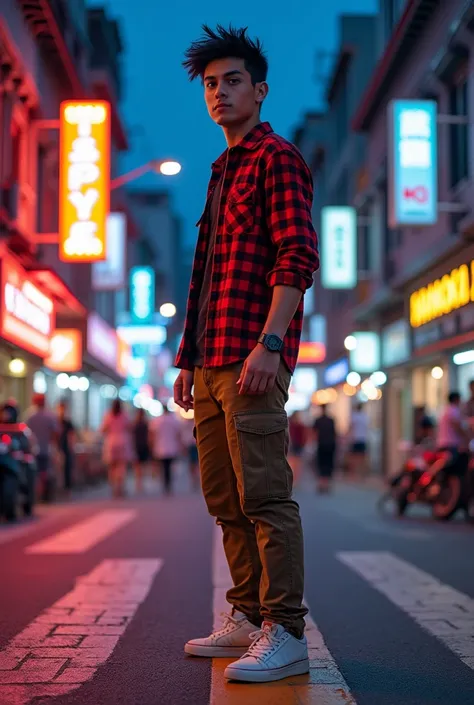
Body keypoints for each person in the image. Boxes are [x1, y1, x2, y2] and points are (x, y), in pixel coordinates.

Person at [173, 26, 319, 683]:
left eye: (233, 80)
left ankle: (285, 630)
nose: (220, 92)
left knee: (264, 494)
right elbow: (203, 274)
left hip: (251, 354)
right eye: (211, 83)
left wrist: (272, 339)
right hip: (209, 361)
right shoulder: (219, 170)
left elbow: (296, 255)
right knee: (224, 497)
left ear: (259, 90)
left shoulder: (276, 158)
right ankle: (247, 613)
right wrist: (185, 359)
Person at [25, 394, 59, 502]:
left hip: (33, 450)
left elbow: (26, 433)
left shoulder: (29, 415)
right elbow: (55, 433)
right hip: (46, 449)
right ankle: (44, 495)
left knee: (34, 472)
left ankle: (35, 494)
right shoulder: (50, 416)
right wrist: (54, 447)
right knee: (45, 472)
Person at [101, 399, 134, 498]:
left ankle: (113, 488)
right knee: (121, 467)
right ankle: (120, 487)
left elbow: (103, 429)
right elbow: (129, 428)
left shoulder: (108, 415)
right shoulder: (125, 415)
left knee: (112, 467)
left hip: (111, 442)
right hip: (123, 441)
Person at [150, 407, 183, 494]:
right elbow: (178, 434)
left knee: (164, 467)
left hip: (160, 447)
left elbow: (152, 434)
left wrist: (152, 445)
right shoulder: (173, 420)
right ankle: (168, 484)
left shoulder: (157, 420)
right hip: (171, 446)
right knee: (169, 467)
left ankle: (165, 484)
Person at [313, 405, 337, 493]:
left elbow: (314, 433)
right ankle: (326, 484)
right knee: (329, 464)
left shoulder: (318, 420)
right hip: (330, 444)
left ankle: (322, 483)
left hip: (321, 444)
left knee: (321, 464)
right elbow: (335, 433)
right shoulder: (331, 420)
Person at [57, 400, 76, 497]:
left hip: (66, 449)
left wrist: (71, 447)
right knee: (58, 471)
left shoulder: (68, 423)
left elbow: (71, 436)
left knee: (67, 470)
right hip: (57, 449)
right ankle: (58, 490)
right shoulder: (55, 421)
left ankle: (67, 490)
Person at [349, 403, 370, 478]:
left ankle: (353, 474)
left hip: (355, 439)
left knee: (353, 458)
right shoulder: (365, 417)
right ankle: (362, 474)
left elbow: (351, 427)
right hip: (363, 439)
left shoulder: (354, 416)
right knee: (362, 458)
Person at [133, 408, 150, 493]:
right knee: (143, 466)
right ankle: (141, 483)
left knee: (137, 466)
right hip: (143, 446)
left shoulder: (134, 424)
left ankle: (138, 483)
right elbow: (149, 436)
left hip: (136, 446)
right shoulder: (145, 424)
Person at [181, 415, 200, 489]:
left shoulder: (189, 424)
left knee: (194, 463)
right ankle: (195, 478)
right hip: (192, 445)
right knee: (193, 463)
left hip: (194, 445)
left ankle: (195, 478)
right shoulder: (188, 424)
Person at [288, 411, 307, 482]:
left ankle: (294, 478)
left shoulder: (294, 425)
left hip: (297, 444)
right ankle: (294, 478)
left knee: (295, 462)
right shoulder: (298, 425)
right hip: (296, 444)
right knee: (295, 462)